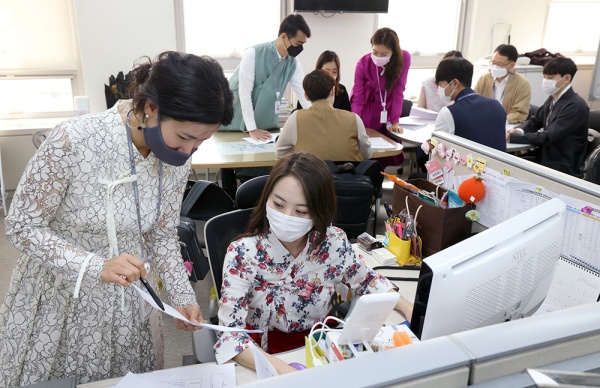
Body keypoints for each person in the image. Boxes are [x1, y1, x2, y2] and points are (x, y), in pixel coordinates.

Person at [0, 52, 234, 386]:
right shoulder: (74, 139)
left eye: (201, 142)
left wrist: (183, 298)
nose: (189, 152)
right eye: (184, 137)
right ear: (150, 108)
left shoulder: (176, 160)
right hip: (62, 296)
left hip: (126, 301)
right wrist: (94, 265)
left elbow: (163, 235)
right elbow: (22, 224)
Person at [214, 152, 413, 374]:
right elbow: (231, 336)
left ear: (319, 213)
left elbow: (366, 280)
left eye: (301, 211)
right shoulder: (243, 253)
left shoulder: (332, 242)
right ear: (266, 199)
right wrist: (291, 374)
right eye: (278, 204)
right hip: (263, 354)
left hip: (319, 344)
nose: (287, 216)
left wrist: (408, 308)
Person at [219, 14, 312, 198]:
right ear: (284, 36)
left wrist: (315, 116)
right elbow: (244, 93)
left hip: (264, 121)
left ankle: (256, 201)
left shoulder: (292, 62)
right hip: (236, 118)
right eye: (297, 42)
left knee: (265, 161)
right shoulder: (253, 53)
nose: (299, 48)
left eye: (303, 44)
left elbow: (302, 91)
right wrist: (251, 128)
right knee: (230, 163)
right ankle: (229, 203)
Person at [507, 57, 589, 176]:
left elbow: (548, 136)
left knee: (510, 169)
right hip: (546, 156)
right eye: (544, 77)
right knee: (507, 163)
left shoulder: (575, 106)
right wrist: (518, 131)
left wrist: (512, 138)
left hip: (560, 164)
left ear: (566, 78)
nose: (545, 81)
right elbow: (535, 121)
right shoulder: (554, 97)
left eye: (550, 78)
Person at [277, 69, 371, 160]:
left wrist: (302, 157)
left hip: (310, 174)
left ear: (306, 96)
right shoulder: (354, 119)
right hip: (348, 174)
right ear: (332, 91)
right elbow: (366, 154)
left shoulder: (296, 118)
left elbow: (280, 152)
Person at [350, 27, 411, 168]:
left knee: (385, 149)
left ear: (393, 52)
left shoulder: (404, 58)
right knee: (365, 148)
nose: (378, 56)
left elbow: (399, 90)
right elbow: (358, 97)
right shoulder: (363, 63)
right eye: (375, 52)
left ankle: (377, 180)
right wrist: (355, 122)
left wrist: (395, 121)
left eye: (384, 54)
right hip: (367, 106)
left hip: (386, 105)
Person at [434, 57, 507, 151]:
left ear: (455, 83)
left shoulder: (449, 112)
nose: (439, 89)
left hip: (467, 165)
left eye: (440, 85)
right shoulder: (497, 105)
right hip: (498, 165)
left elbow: (434, 149)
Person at [474, 44, 531, 124]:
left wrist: (500, 121)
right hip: (483, 122)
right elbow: (474, 103)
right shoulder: (484, 79)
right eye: (493, 63)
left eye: (500, 64)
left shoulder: (522, 84)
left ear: (512, 65)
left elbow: (519, 113)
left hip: (507, 125)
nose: (495, 67)